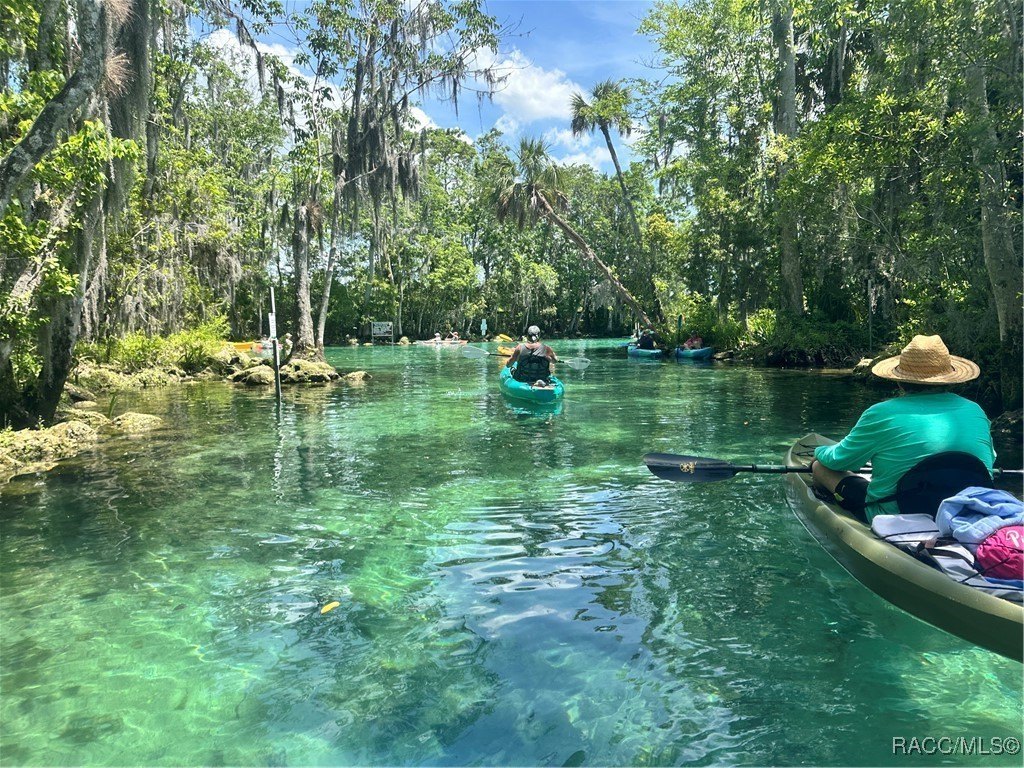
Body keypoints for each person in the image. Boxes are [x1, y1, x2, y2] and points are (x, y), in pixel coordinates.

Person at [811, 335, 995, 522]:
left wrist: (819, 452)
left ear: (899, 381)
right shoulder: (975, 411)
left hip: (895, 515)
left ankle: (828, 507)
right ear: (949, 379)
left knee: (820, 467)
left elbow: (840, 461)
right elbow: (990, 460)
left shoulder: (880, 413)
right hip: (969, 510)